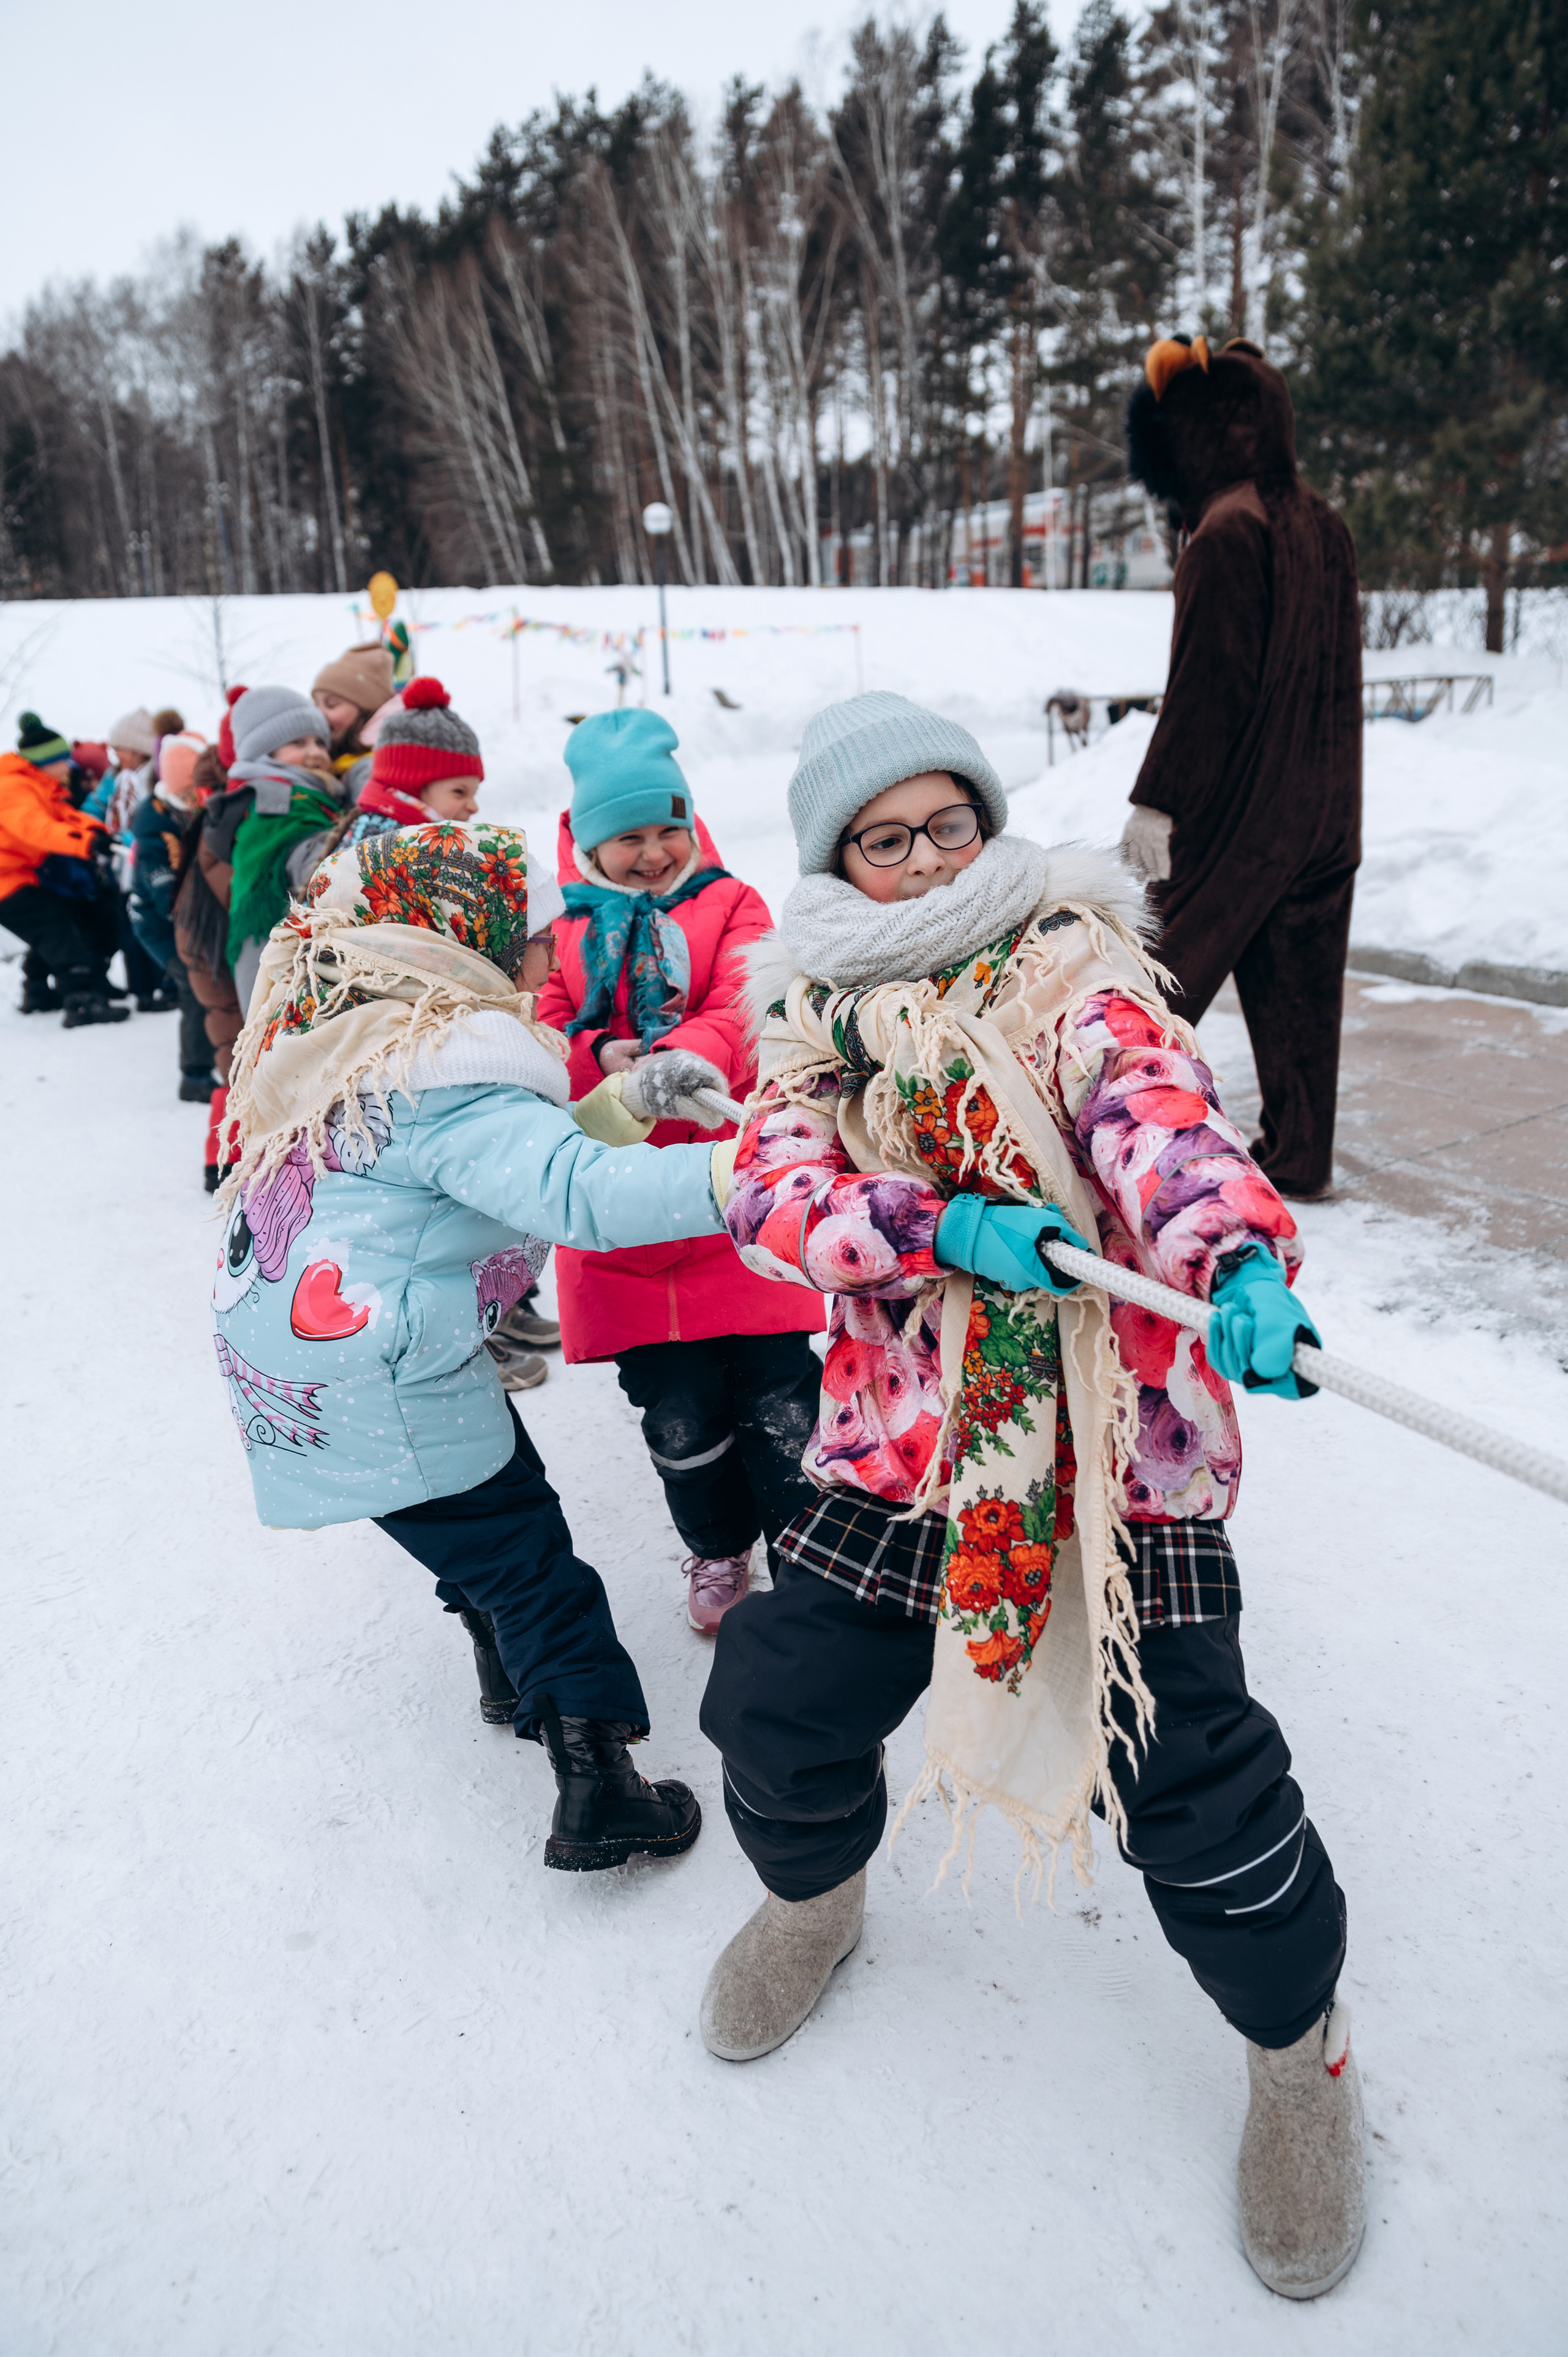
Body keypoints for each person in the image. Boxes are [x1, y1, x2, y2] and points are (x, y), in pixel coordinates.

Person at [696, 690, 1363, 2303]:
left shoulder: (1072, 966)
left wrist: (1237, 1257)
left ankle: (1298, 2050)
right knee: (776, 1698)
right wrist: (930, 1224)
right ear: (839, 858)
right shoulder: (811, 1016)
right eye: (886, 833)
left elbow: (1161, 1123)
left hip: (1114, 1434)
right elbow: (767, 1184)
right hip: (912, 1436)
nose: (926, 853)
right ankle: (815, 1892)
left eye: (948, 820)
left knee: (1187, 1774)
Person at [213, 817, 736, 1871]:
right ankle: (599, 1788)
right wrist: (749, 1177)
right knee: (530, 1557)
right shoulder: (449, 1072)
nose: (550, 956)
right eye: (537, 935)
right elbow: (572, 1192)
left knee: (468, 1518)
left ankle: (505, 1670)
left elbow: (511, 1158)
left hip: (313, 1370)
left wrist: (629, 1098)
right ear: (475, 936)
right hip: (389, 1374)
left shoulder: (368, 1036)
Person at [535, 709, 826, 1635]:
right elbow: (541, 1033)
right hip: (624, 1215)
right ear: (589, 842)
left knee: (781, 1391)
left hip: (732, 1193)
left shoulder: (733, 902)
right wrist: (604, 1055)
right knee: (680, 1415)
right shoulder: (565, 931)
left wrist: (679, 1058)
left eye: (670, 828)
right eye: (630, 836)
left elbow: (748, 997)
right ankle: (716, 1539)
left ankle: (813, 1551)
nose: (656, 851)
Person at [1121, 335, 1362, 1202]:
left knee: (1146, 978)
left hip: (1244, 818)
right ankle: (1298, 1154)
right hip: (1328, 808)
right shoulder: (1321, 519)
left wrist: (1158, 803)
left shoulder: (1226, 531)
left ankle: (1104, 1130)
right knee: (1303, 995)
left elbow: (1207, 690)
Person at [219, 686, 348, 1012]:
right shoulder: (275, 800)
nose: (316, 751)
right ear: (265, 753)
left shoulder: (315, 795)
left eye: (320, 742)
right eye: (298, 743)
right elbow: (307, 860)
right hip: (272, 941)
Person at [0, 713, 124, 1026]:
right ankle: (81, 1003)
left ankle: (39, 993)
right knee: (57, 926)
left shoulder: (37, 784)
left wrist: (98, 834)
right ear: (47, 761)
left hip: (18, 876)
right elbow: (37, 829)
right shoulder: (13, 789)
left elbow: (65, 818)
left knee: (62, 920)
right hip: (6, 881)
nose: (69, 766)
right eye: (63, 760)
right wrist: (85, 844)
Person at [129, 730, 219, 1100]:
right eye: (188, 794)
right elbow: (162, 887)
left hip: (181, 919)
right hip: (157, 924)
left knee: (207, 986)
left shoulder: (188, 812)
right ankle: (194, 1075)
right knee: (195, 989)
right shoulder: (156, 828)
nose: (194, 801)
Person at [311, 641, 398, 792]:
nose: (319, 714)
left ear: (367, 710)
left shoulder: (374, 769)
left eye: (332, 704)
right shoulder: (335, 762)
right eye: (315, 704)